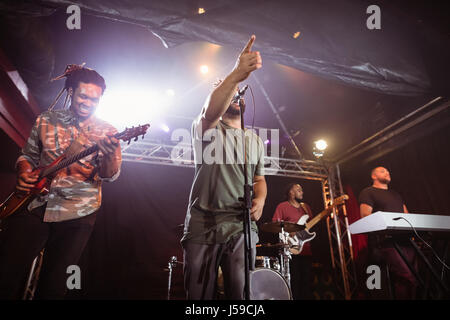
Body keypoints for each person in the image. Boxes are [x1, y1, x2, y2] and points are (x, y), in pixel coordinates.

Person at [0, 66, 122, 299]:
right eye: (83, 96)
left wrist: (108, 155)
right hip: (36, 203)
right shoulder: (46, 120)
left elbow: (109, 176)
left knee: (54, 286)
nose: (88, 103)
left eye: (94, 100)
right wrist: (24, 171)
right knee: (6, 271)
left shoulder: (108, 132)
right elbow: (27, 156)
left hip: (78, 212)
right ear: (69, 91)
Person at [181, 35, 267, 300]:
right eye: (226, 89)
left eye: (236, 91)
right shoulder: (206, 127)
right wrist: (236, 75)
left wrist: (261, 199)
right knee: (199, 299)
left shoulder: (254, 140)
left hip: (241, 227)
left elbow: (259, 179)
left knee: (240, 297)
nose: (233, 93)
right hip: (203, 225)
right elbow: (210, 111)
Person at [359, 166, 418, 299]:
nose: (387, 172)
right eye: (382, 171)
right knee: (406, 277)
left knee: (413, 278)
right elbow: (365, 217)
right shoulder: (368, 192)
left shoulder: (396, 194)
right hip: (385, 242)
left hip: (405, 240)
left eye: (388, 171)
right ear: (374, 176)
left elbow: (406, 215)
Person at [272, 183, 314, 300]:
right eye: (298, 190)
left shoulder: (305, 207)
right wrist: (290, 231)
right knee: (294, 282)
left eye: (302, 190)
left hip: (306, 249)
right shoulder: (282, 206)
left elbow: (311, 225)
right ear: (291, 192)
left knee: (307, 283)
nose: (302, 192)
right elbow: (276, 225)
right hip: (291, 250)